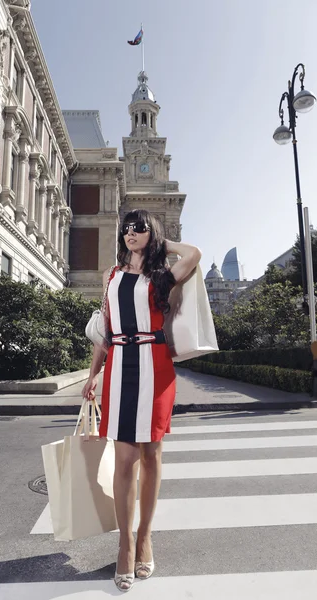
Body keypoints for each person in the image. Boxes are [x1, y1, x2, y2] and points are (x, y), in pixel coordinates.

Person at [82, 209, 201, 592]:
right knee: (124, 459)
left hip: (155, 365)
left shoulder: (162, 276)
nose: (131, 233)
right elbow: (106, 329)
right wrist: (92, 374)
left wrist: (162, 244)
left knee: (151, 454)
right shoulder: (111, 276)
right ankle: (125, 543)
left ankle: (145, 536)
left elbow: (194, 254)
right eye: (127, 228)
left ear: (152, 234)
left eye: (140, 228)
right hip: (119, 364)